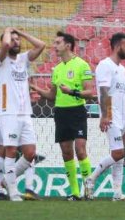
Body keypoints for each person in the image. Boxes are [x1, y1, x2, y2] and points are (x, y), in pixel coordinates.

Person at [30, 31, 95, 200]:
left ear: (68, 45)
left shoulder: (82, 65)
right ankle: (74, 192)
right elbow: (52, 96)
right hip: (61, 112)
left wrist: (72, 91)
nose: (54, 46)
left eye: (58, 43)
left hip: (77, 112)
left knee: (80, 150)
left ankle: (88, 190)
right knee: (66, 153)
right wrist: (36, 89)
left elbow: (90, 92)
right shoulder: (57, 69)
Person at [0, 27, 45, 201]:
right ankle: (13, 191)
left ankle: (7, 181)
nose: (16, 42)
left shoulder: (23, 59)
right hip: (9, 112)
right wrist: (7, 31)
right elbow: (6, 43)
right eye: (12, 39)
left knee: (30, 153)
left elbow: (41, 45)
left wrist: (21, 34)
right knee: (11, 150)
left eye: (18, 40)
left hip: (25, 113)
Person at [84, 32, 125, 201]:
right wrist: (105, 115)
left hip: (122, 117)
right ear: (116, 46)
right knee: (119, 152)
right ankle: (91, 179)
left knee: (120, 156)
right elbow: (104, 91)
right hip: (112, 115)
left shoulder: (122, 69)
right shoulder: (105, 65)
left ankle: (117, 193)